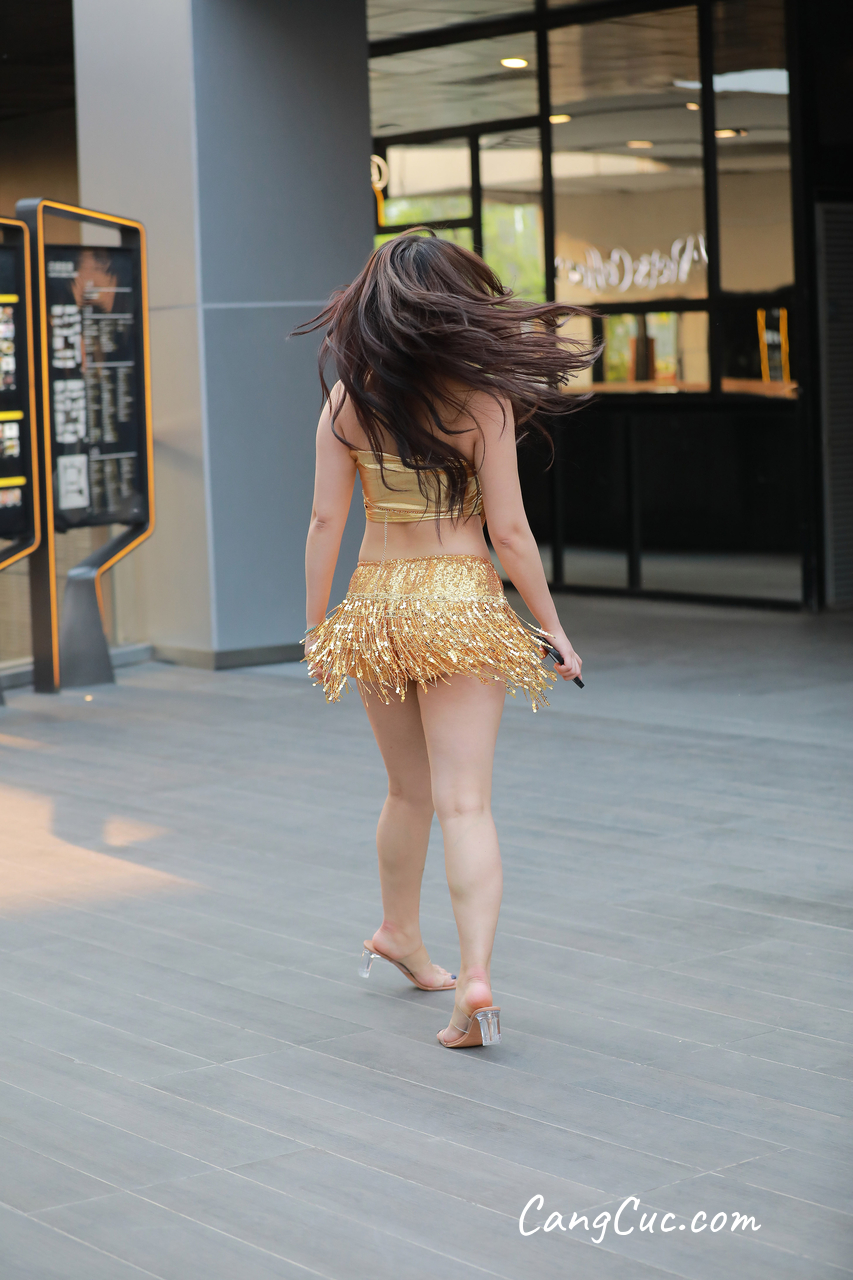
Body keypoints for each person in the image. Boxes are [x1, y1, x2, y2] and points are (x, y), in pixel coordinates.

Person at [296, 233, 594, 1049]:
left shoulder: (347, 399)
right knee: (465, 801)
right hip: (458, 602)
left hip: (376, 605)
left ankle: (398, 931)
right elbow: (510, 534)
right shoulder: (481, 401)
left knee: (407, 792)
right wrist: (553, 629)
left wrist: (317, 628)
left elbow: (324, 521)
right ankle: (475, 979)